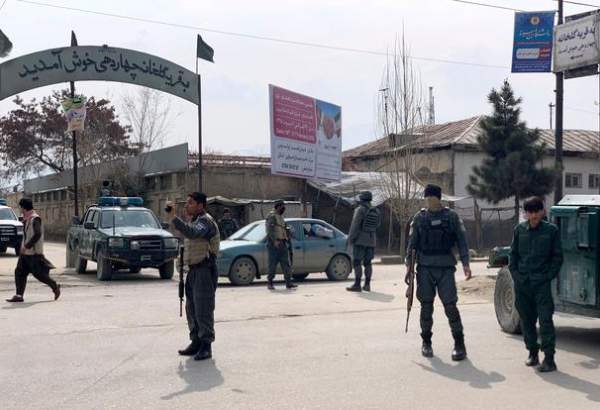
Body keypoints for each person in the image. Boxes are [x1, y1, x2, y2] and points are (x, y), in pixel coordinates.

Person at [405, 184, 472, 361]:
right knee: (426, 306)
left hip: (445, 268)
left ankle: (459, 343)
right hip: (425, 267)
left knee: (450, 306)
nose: (428, 200)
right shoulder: (420, 218)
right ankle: (426, 342)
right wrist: (408, 267)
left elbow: (462, 241)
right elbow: (412, 244)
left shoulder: (451, 217)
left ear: (438, 198)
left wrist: (466, 263)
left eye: (431, 197)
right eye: (427, 198)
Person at [509, 197, 563, 373]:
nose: (533, 216)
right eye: (529, 212)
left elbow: (557, 257)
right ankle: (532, 352)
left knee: (545, 320)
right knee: (526, 320)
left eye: (536, 212)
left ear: (542, 211)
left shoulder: (551, 231)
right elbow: (513, 256)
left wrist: (547, 276)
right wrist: (516, 276)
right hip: (523, 283)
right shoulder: (519, 230)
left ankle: (549, 358)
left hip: (541, 284)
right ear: (525, 213)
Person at [167, 192, 220, 361]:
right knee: (191, 308)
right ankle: (196, 341)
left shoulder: (206, 222)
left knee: (203, 309)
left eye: (190, 203)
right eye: (187, 202)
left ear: (200, 205)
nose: (187, 205)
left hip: (205, 270)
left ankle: (206, 345)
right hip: (193, 271)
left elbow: (193, 234)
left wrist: (174, 218)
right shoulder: (194, 221)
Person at [6, 198, 60, 303]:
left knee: (39, 274)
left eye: (21, 207)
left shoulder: (35, 219)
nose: (20, 209)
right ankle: (19, 295)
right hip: (25, 253)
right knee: (19, 272)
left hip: (33, 253)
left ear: (24, 207)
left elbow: (37, 234)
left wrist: (27, 246)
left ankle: (55, 286)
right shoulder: (27, 218)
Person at [346, 191, 380, 292]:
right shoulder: (376, 211)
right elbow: (378, 225)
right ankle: (367, 285)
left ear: (361, 199)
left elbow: (355, 226)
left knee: (357, 262)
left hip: (360, 240)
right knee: (368, 263)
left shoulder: (360, 210)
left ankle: (357, 285)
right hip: (372, 240)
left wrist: (350, 239)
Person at [266, 200, 296, 290]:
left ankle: (288, 283)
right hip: (274, 244)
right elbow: (269, 230)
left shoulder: (280, 217)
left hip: (283, 243)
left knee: (286, 264)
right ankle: (270, 283)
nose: (284, 208)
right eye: (282, 206)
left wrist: (289, 233)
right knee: (272, 264)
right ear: (278, 207)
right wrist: (274, 240)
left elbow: (284, 228)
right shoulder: (272, 216)